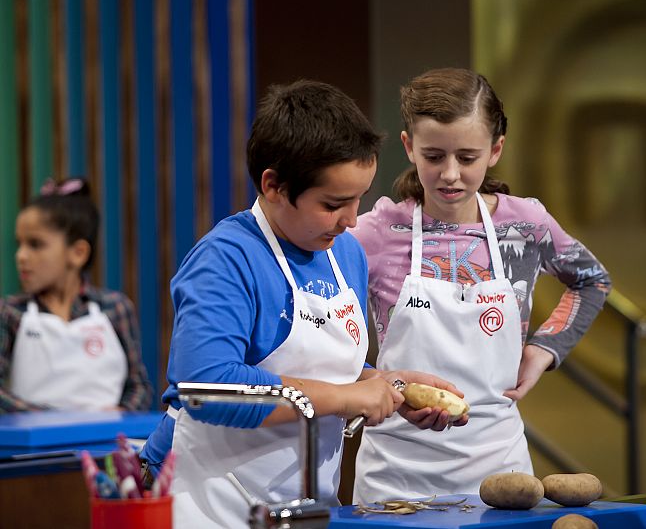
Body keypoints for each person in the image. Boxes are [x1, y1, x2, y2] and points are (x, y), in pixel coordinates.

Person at [139, 80, 463, 528]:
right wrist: (348, 396)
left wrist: (386, 385)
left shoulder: (342, 252)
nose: (351, 220)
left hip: (300, 510)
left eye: (358, 200)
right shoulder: (226, 259)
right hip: (208, 509)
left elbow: (317, 373)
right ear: (273, 185)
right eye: (333, 203)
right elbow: (207, 389)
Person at [352, 67, 612, 503]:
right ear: (408, 148)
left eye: (467, 158)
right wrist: (372, 380)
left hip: (500, 471)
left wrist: (545, 350)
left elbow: (591, 281)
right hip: (395, 477)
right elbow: (320, 321)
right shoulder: (375, 233)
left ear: (495, 150)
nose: (450, 174)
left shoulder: (525, 225)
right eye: (434, 156)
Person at [0, 178, 153, 413]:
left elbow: (139, 387)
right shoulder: (10, 312)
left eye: (35, 244)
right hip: (35, 449)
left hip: (106, 445)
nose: (21, 256)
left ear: (78, 253)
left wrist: (122, 412)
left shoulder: (116, 308)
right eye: (18, 244)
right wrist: (48, 419)